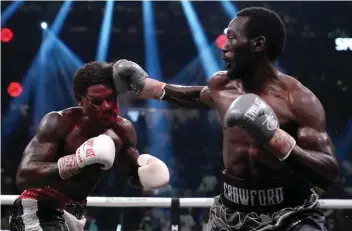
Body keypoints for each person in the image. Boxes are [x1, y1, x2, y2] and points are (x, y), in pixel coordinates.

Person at [112, 6, 339, 231]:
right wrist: (145, 87)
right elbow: (195, 96)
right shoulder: (222, 86)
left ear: (258, 44)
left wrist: (276, 139)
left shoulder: (298, 101)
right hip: (230, 212)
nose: (223, 47)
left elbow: (328, 172)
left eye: (231, 38)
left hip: (289, 212)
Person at [9, 61, 170, 231]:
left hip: (74, 216)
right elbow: (24, 176)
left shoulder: (123, 131)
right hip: (38, 207)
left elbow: (133, 176)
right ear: (80, 100)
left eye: (111, 98)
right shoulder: (60, 122)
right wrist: (75, 162)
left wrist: (148, 174)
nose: (107, 106)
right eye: (97, 101)